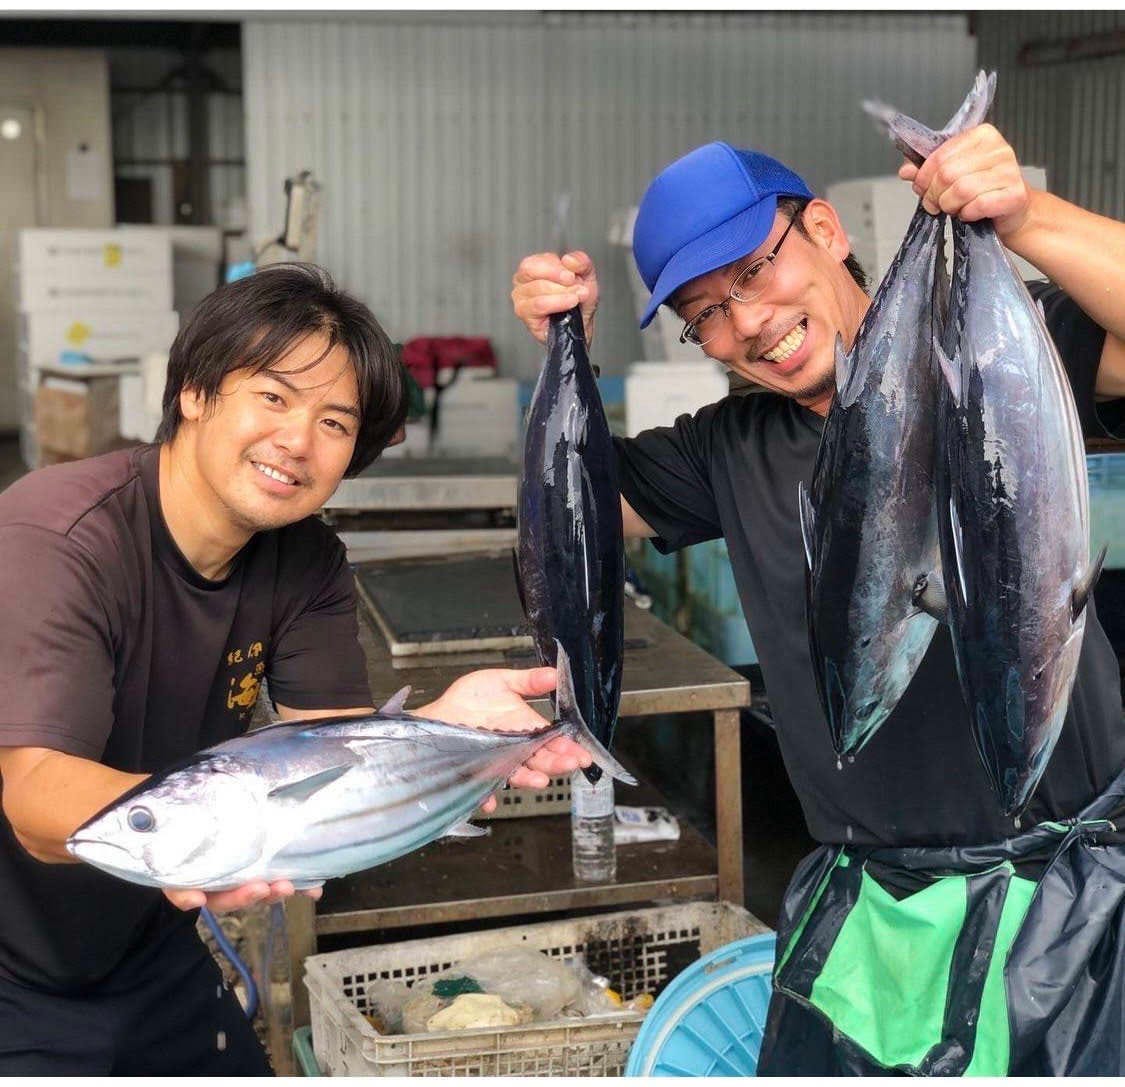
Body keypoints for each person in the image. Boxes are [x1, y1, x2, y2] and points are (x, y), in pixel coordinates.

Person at [513, 123, 1125, 1074]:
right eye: (704, 312)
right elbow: (582, 510)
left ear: (828, 230)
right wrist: (567, 348)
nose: (745, 323)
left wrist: (1028, 217)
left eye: (753, 273)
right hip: (868, 911)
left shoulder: (1001, 347)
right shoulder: (726, 446)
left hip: (1062, 910)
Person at [0, 263, 592, 1076]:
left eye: (335, 422)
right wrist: (203, 834)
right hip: (14, 964)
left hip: (152, 937)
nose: (297, 441)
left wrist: (448, 730)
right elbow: (34, 793)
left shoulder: (306, 558)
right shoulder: (59, 537)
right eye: (273, 398)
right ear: (196, 393)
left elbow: (334, 758)